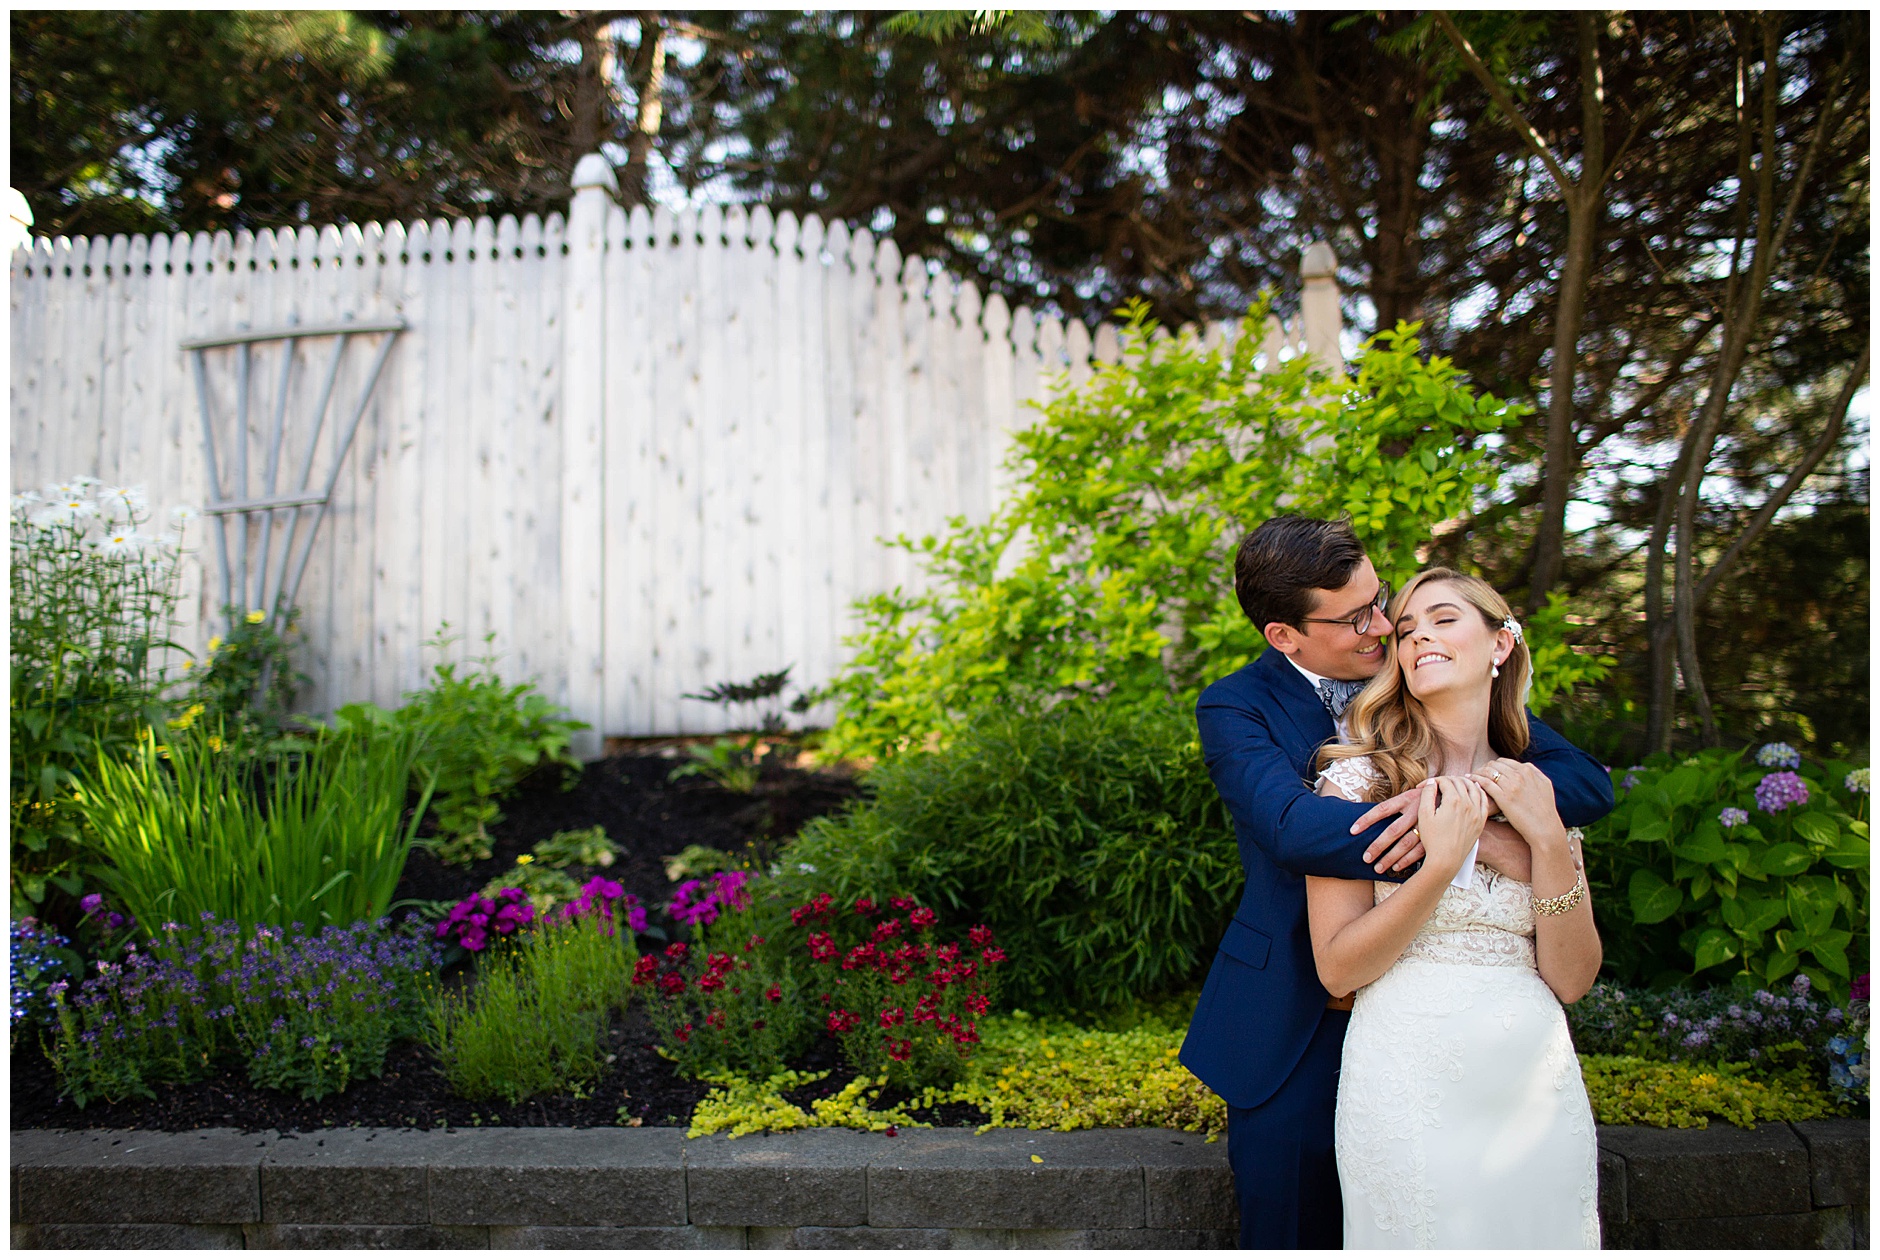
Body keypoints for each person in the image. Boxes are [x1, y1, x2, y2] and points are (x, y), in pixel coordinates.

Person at [1179, 516, 1613, 1249]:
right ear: (1285, 635)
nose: (1385, 628)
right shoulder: (1237, 707)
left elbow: (1584, 784)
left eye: (1382, 601)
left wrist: (1508, 822)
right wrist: (1444, 827)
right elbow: (1290, 830)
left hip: (1487, 1042)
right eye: (1358, 618)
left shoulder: (1435, 677)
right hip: (1297, 1004)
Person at [1309, 567, 1603, 1248]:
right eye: (1406, 630)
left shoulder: (1542, 792)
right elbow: (1338, 970)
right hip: (1408, 1079)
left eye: (1444, 619)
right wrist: (1440, 865)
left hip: (1536, 1084)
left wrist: (1546, 843)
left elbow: (1573, 978)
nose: (1419, 639)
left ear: (1501, 645)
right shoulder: (1359, 781)